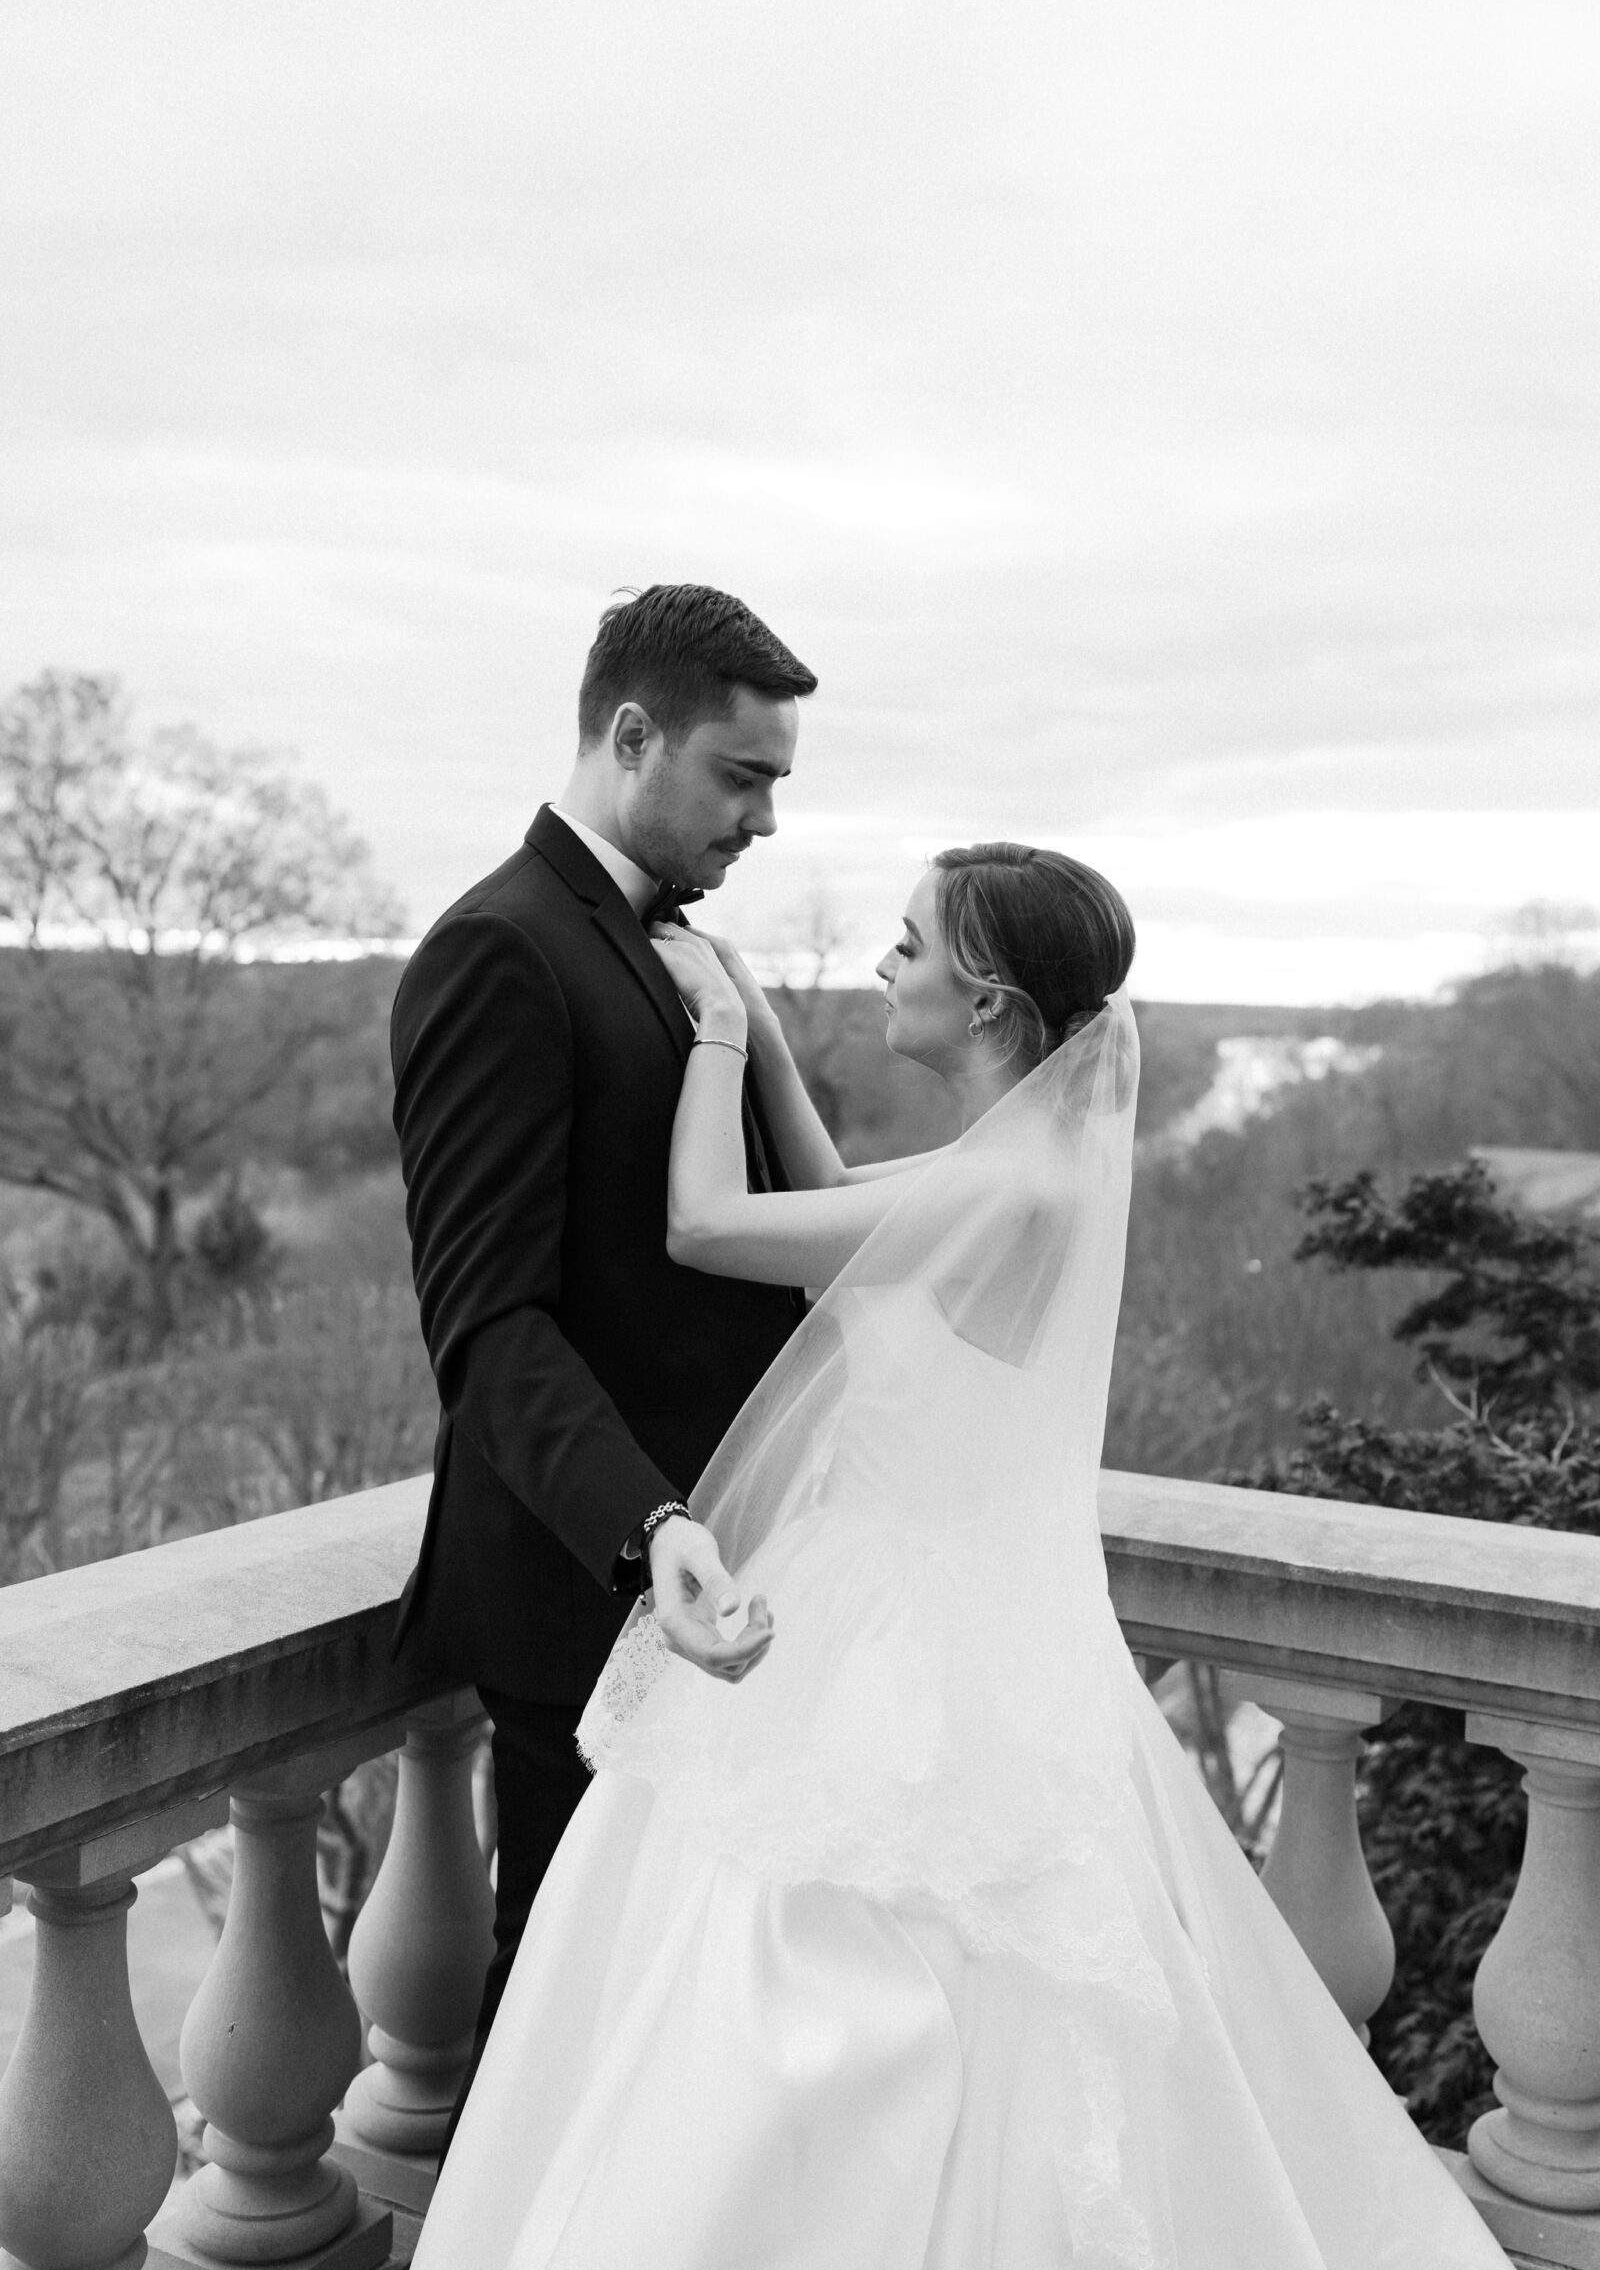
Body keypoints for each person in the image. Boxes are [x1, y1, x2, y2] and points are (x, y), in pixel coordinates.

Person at [414, 843, 1511, 2270]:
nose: (885, 964)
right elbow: (837, 1217)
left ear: (986, 1005)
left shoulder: (1011, 1193)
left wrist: (721, 1039)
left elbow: (710, 1226)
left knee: (810, 2009)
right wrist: (767, 1038)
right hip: (916, 1610)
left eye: (909, 943)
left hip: (893, 1644)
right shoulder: (1011, 1168)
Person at [389, 584, 815, 2136]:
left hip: (721, 1593)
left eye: (777, 782)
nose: (763, 818)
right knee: (559, 2045)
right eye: (742, 776)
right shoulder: (497, 953)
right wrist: (650, 1530)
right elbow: (489, 1324)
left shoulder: (684, 953)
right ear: (631, 736)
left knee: (682, 2052)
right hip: (593, 1597)